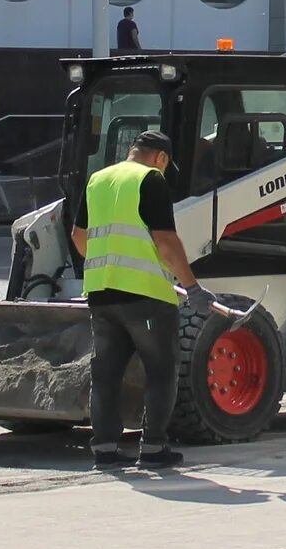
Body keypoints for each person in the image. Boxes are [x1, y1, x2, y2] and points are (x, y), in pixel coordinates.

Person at [70, 129, 205, 469]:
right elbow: (166, 242)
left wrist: (110, 264)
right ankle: (154, 447)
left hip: (101, 295)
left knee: (106, 373)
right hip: (145, 298)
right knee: (160, 370)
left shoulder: (97, 180)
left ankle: (104, 448)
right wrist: (192, 287)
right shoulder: (151, 180)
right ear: (160, 158)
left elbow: (79, 237)